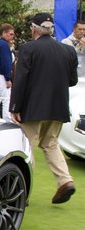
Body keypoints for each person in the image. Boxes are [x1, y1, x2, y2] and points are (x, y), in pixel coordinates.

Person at [10, 13, 78, 204]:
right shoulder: (68, 51)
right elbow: (71, 81)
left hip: (33, 107)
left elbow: (20, 79)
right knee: (50, 143)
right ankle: (65, 181)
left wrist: (15, 106)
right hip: (58, 106)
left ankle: (22, 191)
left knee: (26, 147)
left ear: (34, 29)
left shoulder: (28, 48)